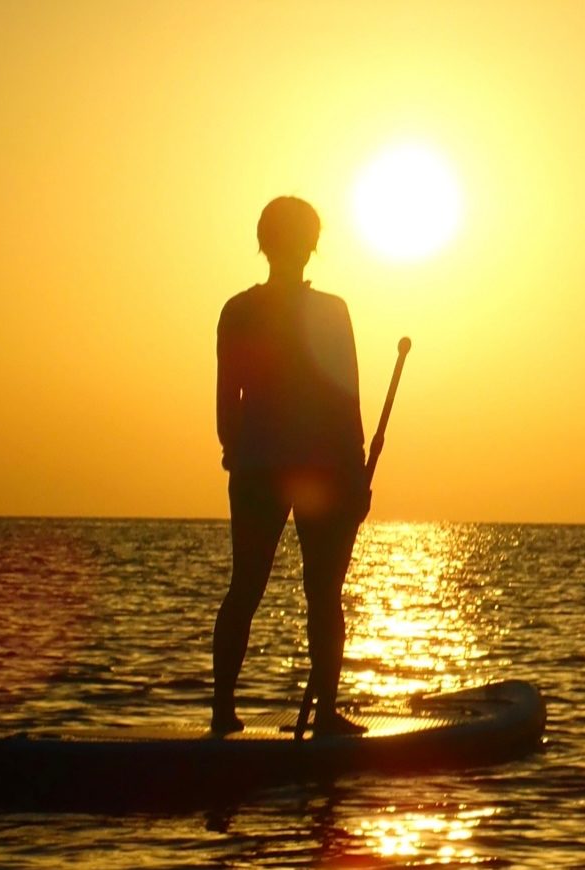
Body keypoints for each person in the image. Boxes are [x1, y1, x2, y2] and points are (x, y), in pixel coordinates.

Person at [211, 196, 370, 736]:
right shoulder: (264, 311)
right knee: (306, 591)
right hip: (297, 468)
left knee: (268, 588)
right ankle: (310, 713)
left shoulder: (245, 309)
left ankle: (231, 712)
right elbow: (345, 400)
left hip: (279, 467)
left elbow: (226, 403)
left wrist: (236, 448)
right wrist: (352, 474)